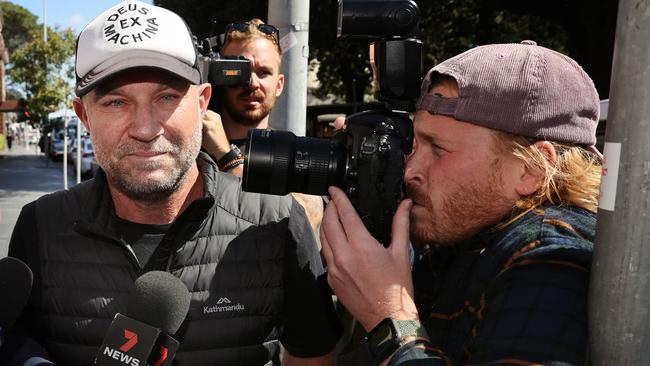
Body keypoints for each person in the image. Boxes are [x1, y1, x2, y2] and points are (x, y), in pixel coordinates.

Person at [8, 1, 340, 365]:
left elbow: (313, 357)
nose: (146, 129)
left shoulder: (278, 221)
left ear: (202, 103)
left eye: (167, 97)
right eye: (116, 103)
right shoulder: (39, 226)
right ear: (84, 115)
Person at [321, 40, 601, 365]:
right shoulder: (468, 237)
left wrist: (389, 318)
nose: (411, 170)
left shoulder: (550, 260)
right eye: (415, 144)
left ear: (530, 169)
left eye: (438, 149)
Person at [200, 19, 325, 232]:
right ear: (219, 75)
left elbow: (302, 224)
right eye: (240, 69)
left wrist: (228, 159)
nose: (252, 83)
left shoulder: (297, 155)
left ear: (279, 85)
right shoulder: (191, 152)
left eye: (264, 72)